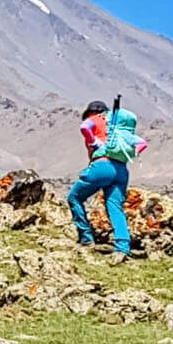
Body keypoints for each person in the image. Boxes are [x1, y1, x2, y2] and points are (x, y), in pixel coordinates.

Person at [65, 101, 147, 265]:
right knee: (115, 207)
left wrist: (94, 142)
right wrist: (131, 154)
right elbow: (142, 144)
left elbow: (84, 128)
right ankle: (122, 248)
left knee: (74, 197)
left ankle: (86, 238)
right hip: (121, 170)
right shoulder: (117, 126)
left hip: (101, 166)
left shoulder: (95, 119)